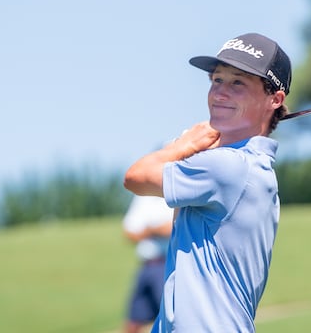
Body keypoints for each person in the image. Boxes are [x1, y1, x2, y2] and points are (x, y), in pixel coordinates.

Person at [123, 32, 292, 332]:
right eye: (217, 80)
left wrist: (184, 144)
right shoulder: (250, 167)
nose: (220, 93)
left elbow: (135, 177)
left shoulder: (228, 167)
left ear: (274, 99)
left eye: (238, 82)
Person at [121, 195, 174, 333]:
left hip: (167, 265)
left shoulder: (175, 194)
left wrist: (148, 230)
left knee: (171, 321)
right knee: (133, 321)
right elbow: (129, 232)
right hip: (146, 266)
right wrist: (154, 230)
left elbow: (173, 228)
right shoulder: (142, 197)